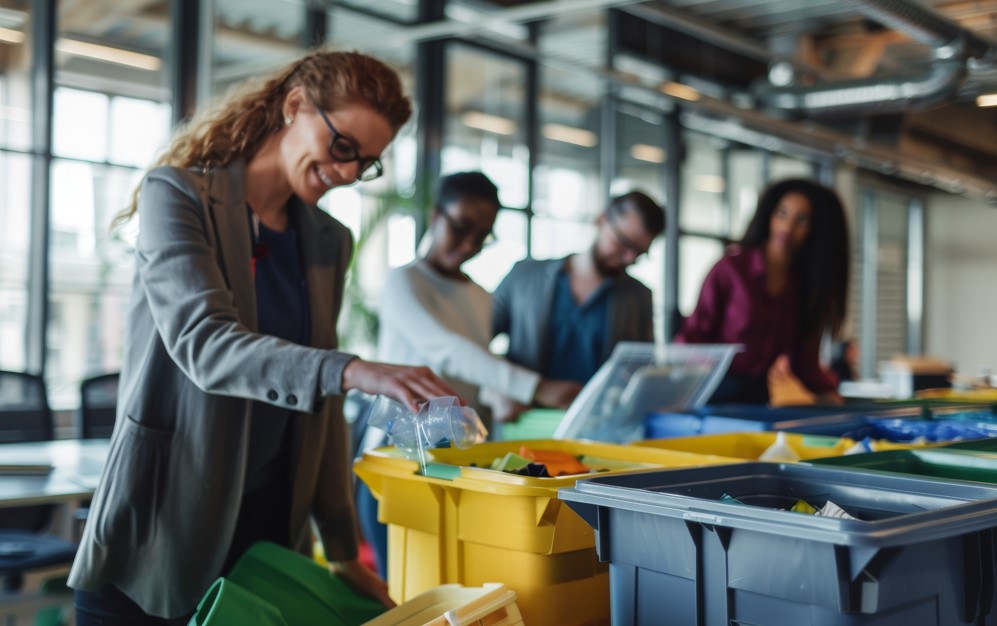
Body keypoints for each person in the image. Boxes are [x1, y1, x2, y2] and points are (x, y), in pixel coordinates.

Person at [68, 51, 458, 625]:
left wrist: (345, 551)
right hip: (164, 527)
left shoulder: (327, 239)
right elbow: (206, 344)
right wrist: (353, 370)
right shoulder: (178, 197)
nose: (349, 173)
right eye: (344, 146)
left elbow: (319, 408)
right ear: (295, 106)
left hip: (266, 539)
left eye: (367, 163)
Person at [359, 171, 581, 575]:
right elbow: (445, 350)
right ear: (435, 214)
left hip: (451, 460)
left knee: (442, 581)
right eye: (460, 227)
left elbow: (472, 370)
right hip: (396, 456)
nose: (468, 244)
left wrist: (499, 398)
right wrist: (537, 387)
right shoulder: (404, 281)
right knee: (399, 585)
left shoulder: (479, 295)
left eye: (482, 236)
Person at [491, 191, 665, 421]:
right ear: (601, 219)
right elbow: (475, 342)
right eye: (623, 242)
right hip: (524, 424)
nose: (629, 258)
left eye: (639, 252)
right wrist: (493, 392)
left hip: (595, 430)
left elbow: (642, 374)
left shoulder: (639, 296)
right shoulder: (524, 277)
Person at [676, 178, 849, 405]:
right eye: (782, 213)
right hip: (712, 392)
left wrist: (830, 393)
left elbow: (803, 361)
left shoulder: (805, 286)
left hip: (757, 396)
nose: (787, 227)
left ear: (816, 229)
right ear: (769, 214)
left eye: (802, 220)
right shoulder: (731, 269)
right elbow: (690, 338)